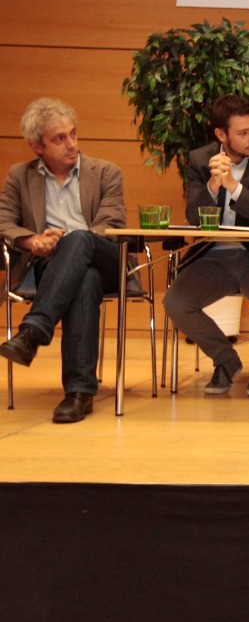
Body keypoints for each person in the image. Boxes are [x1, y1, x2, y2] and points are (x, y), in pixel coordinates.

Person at [163, 95, 249, 397]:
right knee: (176, 302)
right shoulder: (200, 159)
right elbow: (194, 218)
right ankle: (226, 361)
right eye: (243, 132)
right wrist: (213, 185)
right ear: (221, 134)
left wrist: (233, 187)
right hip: (214, 256)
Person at [0, 98, 125, 423]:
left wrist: (70, 241)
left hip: (106, 258)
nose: (71, 144)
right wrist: (32, 241)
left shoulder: (105, 172)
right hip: (52, 267)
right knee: (84, 280)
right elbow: (3, 221)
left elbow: (111, 223)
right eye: (59, 138)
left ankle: (34, 329)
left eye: (73, 134)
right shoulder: (20, 176)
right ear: (36, 146)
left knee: (80, 239)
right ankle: (79, 393)